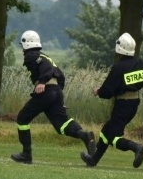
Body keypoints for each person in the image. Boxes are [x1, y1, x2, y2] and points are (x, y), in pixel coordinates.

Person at [80, 33, 143, 169]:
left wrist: (98, 91)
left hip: (122, 104)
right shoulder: (142, 64)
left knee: (111, 135)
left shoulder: (119, 67)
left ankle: (136, 147)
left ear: (120, 49)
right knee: (107, 131)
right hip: (134, 104)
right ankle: (93, 160)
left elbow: (107, 92)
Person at [10, 30, 96, 164]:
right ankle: (84, 135)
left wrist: (43, 82)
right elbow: (60, 76)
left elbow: (48, 69)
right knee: (62, 125)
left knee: (22, 119)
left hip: (46, 92)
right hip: (55, 91)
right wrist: (57, 96)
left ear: (26, 44)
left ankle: (26, 154)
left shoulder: (31, 56)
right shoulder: (45, 56)